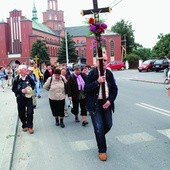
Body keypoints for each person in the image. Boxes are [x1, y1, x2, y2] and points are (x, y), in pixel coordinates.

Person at [84, 54, 118, 161]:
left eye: (105, 60)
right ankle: (102, 150)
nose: (103, 62)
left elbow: (114, 89)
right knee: (99, 127)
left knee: (108, 124)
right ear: (97, 62)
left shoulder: (109, 73)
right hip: (95, 104)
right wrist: (97, 82)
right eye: (101, 60)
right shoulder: (92, 74)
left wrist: (110, 101)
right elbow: (86, 88)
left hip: (106, 103)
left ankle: (100, 138)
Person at [12, 65, 35, 134]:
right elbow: (13, 89)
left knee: (30, 112)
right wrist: (21, 91)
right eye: (25, 69)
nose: (27, 70)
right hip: (20, 98)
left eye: (26, 69)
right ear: (21, 70)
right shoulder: (16, 79)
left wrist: (30, 89)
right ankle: (24, 125)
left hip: (29, 98)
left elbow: (33, 85)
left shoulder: (29, 78)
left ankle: (30, 127)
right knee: (21, 113)